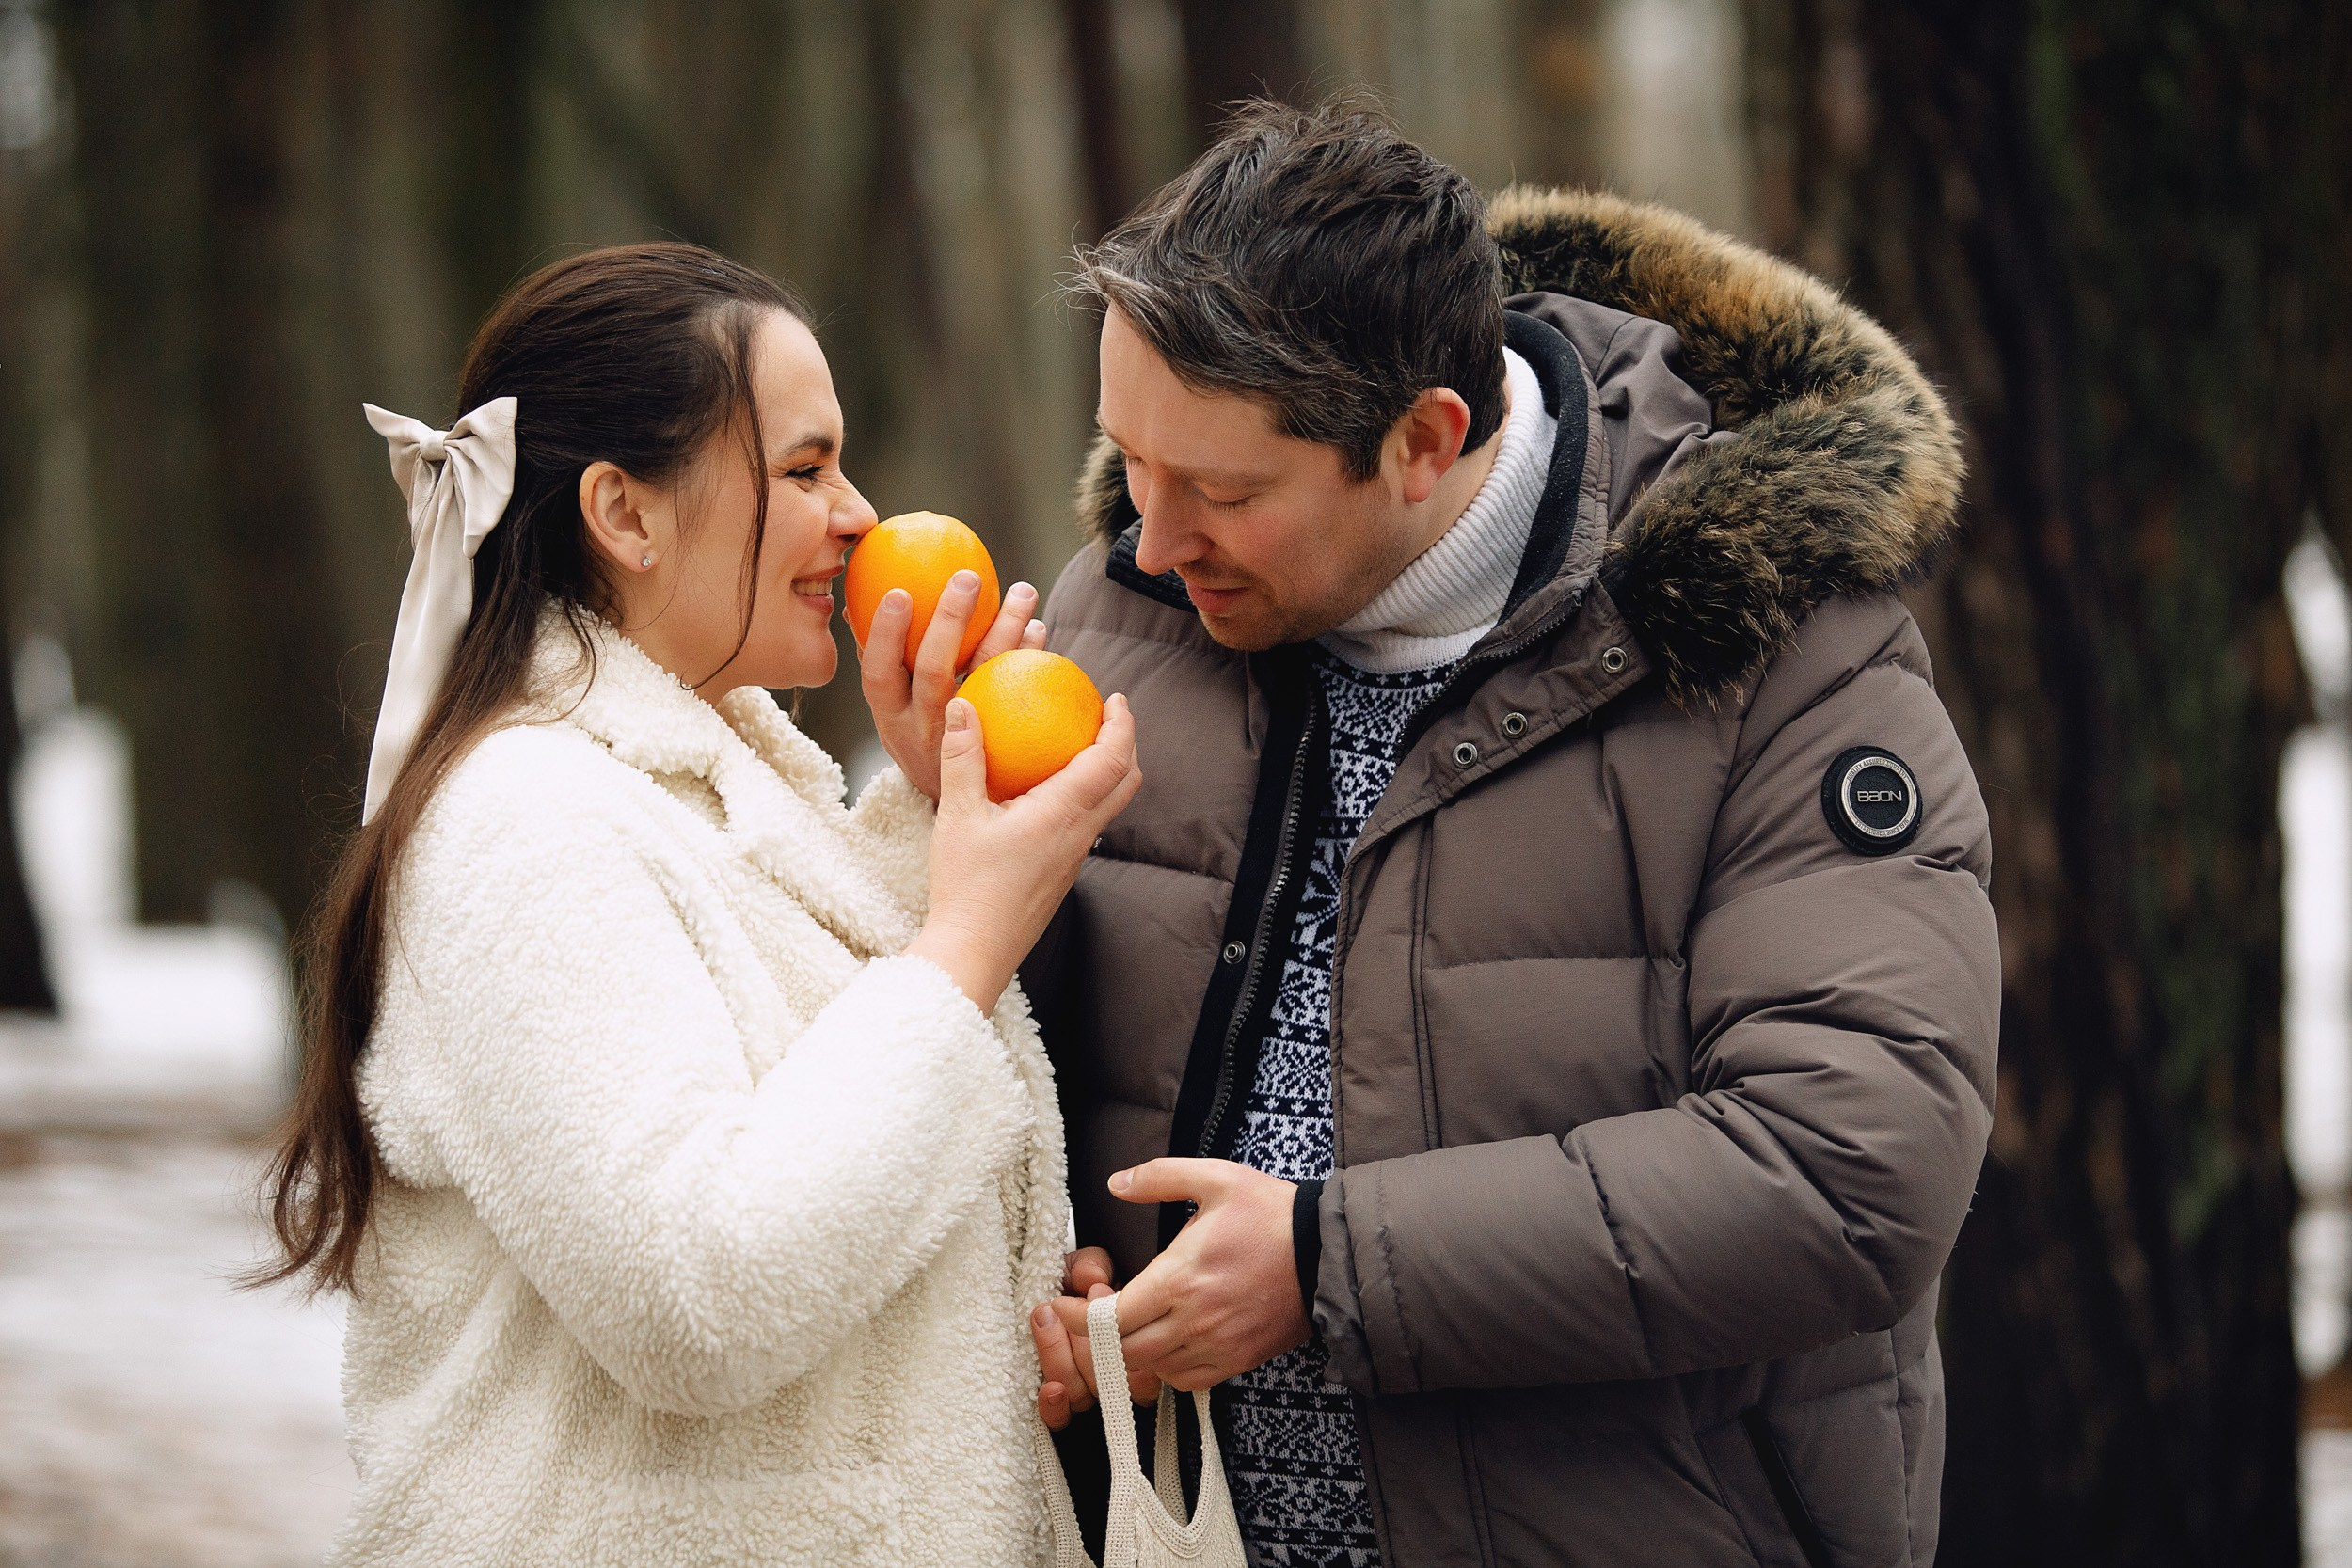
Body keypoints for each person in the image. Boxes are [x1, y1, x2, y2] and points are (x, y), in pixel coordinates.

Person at [1025, 101, 1998, 1567]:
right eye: (1130, 464)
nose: (1150, 541)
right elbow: (1024, 1063)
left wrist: (1320, 1269)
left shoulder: (1779, 650)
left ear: (1425, 441)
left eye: (1222, 492)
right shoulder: (1129, 610)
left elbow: (1850, 1168)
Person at [254, 243, 1139, 1566]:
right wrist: (965, 938)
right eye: (802, 468)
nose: (856, 514)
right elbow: (697, 1297)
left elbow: (811, 1110)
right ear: (625, 513)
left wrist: (1006, 1316)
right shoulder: (523, 825)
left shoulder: (712, 787)